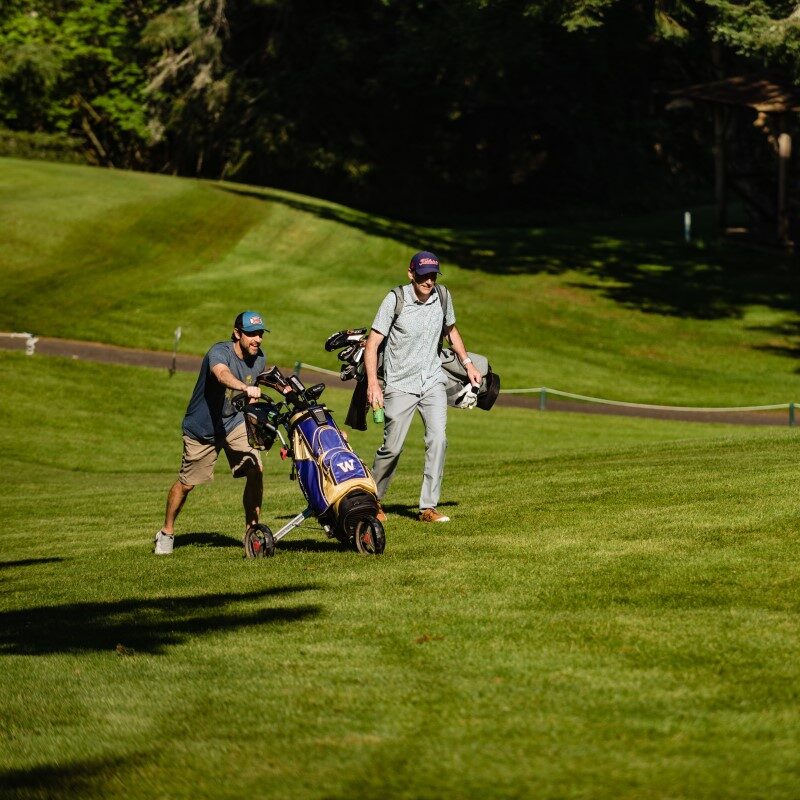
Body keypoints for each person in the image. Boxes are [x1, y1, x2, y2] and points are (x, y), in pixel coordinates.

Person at [364, 251, 482, 523]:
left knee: (438, 439)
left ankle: (427, 507)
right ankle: (373, 499)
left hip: (432, 381)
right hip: (399, 385)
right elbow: (373, 344)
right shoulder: (396, 299)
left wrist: (468, 364)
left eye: (432, 276)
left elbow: (451, 331)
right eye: (423, 275)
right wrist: (374, 384)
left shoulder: (442, 296)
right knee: (392, 447)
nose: (428, 281)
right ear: (411, 273)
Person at [153, 311, 269, 555]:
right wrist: (245, 387)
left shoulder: (258, 358)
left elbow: (263, 381)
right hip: (202, 429)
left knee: (255, 468)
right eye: (251, 334)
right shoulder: (219, 352)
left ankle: (252, 533)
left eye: (260, 334)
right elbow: (221, 374)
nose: (256, 339)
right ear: (237, 333)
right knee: (187, 485)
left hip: (232, 422)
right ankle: (166, 532)